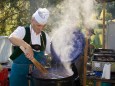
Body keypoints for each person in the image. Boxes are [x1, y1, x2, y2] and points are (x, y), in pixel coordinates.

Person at [9, 8, 51, 86]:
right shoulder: (23, 30)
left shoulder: (45, 37)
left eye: (43, 26)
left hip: (36, 78)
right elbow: (11, 38)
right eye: (38, 25)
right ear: (32, 20)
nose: (40, 28)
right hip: (19, 77)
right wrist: (27, 46)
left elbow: (52, 51)